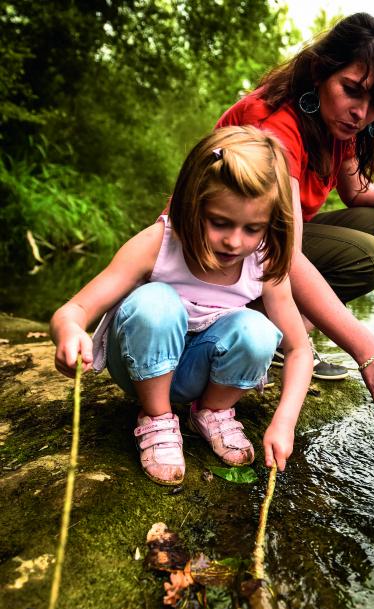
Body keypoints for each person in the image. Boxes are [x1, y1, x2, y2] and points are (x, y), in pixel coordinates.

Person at [50, 126, 313, 485]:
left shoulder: (263, 261)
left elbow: (298, 349)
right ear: (192, 205)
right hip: (137, 367)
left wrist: (284, 422)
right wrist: (69, 333)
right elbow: (73, 310)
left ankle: (212, 411)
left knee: (259, 330)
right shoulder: (158, 243)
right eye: (219, 223)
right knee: (156, 302)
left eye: (253, 229)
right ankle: (156, 417)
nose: (235, 241)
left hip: (197, 374)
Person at [217, 12, 374, 421]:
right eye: (352, 91)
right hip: (219, 252)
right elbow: (287, 254)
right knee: (365, 255)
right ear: (321, 70)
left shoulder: (334, 123)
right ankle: (268, 335)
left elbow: (356, 190)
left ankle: (284, 335)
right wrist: (369, 351)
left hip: (265, 248)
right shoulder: (275, 128)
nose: (362, 113)